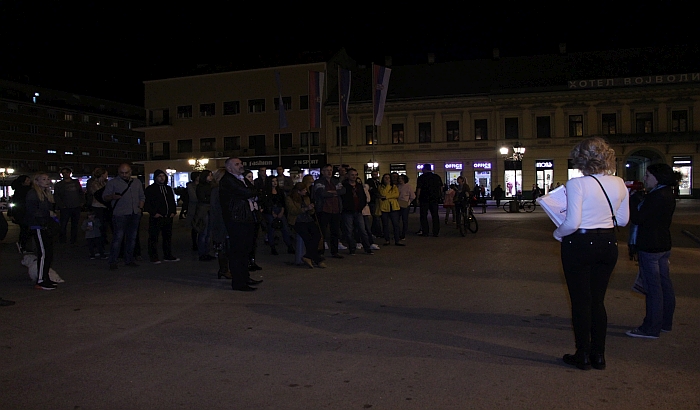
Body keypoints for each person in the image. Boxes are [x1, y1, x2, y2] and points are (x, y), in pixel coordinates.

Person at [553, 137, 629, 371]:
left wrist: (558, 233)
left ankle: (582, 354)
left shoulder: (577, 184)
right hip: (608, 243)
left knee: (580, 302)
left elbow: (572, 222)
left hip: (579, 243)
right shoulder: (619, 183)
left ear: (581, 158)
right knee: (597, 301)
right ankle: (599, 355)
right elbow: (624, 220)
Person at [626, 164, 677, 339]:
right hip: (662, 244)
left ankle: (650, 328)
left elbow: (639, 218)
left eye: (648, 175)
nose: (645, 178)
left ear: (658, 177)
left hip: (650, 245)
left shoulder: (657, 196)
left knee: (653, 288)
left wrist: (632, 200)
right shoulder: (666, 193)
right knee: (664, 285)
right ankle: (665, 323)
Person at [219, 157, 263, 291]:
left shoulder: (241, 178)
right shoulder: (228, 181)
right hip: (236, 219)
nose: (240, 166)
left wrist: (253, 193)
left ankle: (245, 277)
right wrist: (253, 193)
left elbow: (254, 191)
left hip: (247, 217)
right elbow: (247, 192)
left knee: (246, 249)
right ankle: (239, 282)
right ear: (229, 168)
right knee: (238, 251)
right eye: (237, 164)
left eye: (241, 163)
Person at [103, 163, 145, 270]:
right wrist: (113, 196)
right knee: (118, 238)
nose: (124, 175)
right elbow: (105, 197)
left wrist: (139, 208)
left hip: (134, 213)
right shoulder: (113, 183)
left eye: (126, 173)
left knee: (132, 238)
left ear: (130, 172)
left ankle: (129, 259)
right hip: (120, 214)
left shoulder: (136, 182)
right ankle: (113, 260)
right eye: (122, 173)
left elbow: (142, 196)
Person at [25, 173, 58, 290]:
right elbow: (32, 211)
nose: (47, 181)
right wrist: (47, 214)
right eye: (43, 179)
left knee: (48, 253)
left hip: (45, 225)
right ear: (37, 181)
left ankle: (45, 277)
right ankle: (41, 280)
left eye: (48, 179)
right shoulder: (33, 194)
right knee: (44, 253)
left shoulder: (45, 194)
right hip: (38, 226)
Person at [286, 182, 326, 268]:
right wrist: (305, 209)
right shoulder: (290, 199)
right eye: (303, 190)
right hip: (297, 220)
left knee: (317, 235)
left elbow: (311, 212)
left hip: (308, 219)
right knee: (307, 237)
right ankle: (316, 259)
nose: (305, 191)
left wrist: (311, 208)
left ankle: (309, 256)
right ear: (298, 191)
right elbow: (293, 211)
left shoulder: (306, 198)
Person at [144, 169, 179, 264]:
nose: (162, 178)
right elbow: (147, 203)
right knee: (153, 237)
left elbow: (172, 201)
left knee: (167, 237)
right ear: (155, 178)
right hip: (157, 217)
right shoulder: (150, 189)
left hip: (168, 217)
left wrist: (173, 211)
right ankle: (153, 256)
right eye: (159, 176)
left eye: (163, 176)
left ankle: (168, 255)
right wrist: (153, 213)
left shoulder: (168, 188)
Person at [340, 168, 374, 255]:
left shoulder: (359, 186)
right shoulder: (344, 186)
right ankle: (352, 248)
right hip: (348, 211)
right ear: (348, 175)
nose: (354, 177)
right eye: (352, 175)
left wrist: (361, 206)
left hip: (358, 211)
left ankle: (367, 248)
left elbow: (363, 197)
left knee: (363, 230)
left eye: (355, 175)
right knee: (349, 231)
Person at [314, 164, 345, 259]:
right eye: (327, 170)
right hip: (324, 209)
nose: (329, 172)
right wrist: (335, 192)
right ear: (322, 172)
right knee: (322, 232)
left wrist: (331, 192)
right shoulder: (319, 182)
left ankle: (334, 251)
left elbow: (343, 190)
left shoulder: (335, 181)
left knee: (335, 232)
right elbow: (321, 193)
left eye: (330, 170)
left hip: (335, 210)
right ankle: (320, 252)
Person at [260, 176, 294, 256]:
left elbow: (283, 202)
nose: (275, 183)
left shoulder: (280, 191)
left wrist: (282, 211)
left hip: (279, 209)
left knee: (285, 228)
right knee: (271, 228)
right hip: (270, 211)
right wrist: (272, 212)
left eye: (276, 181)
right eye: (273, 181)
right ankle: (272, 247)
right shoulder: (266, 192)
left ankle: (289, 245)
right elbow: (265, 204)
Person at [209, 168, 231, 279]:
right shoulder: (216, 190)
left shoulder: (222, 189)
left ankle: (225, 269)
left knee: (226, 246)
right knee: (223, 246)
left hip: (224, 221)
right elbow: (215, 209)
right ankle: (224, 269)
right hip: (220, 222)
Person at [53, 167, 84, 244]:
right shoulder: (59, 184)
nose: (65, 174)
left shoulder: (76, 182)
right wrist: (61, 205)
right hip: (65, 207)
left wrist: (81, 202)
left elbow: (80, 192)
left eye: (67, 172)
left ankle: (73, 239)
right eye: (63, 173)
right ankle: (63, 239)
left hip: (76, 206)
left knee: (75, 224)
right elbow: (56, 196)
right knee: (63, 224)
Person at [416, 164, 443, 237]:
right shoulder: (436, 177)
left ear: (424, 169)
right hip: (434, 198)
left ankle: (425, 231)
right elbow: (441, 188)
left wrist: (417, 198)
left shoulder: (421, 177)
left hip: (424, 198)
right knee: (435, 216)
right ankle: (436, 232)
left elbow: (419, 189)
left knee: (423, 216)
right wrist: (440, 196)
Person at [195, 170, 215, 261]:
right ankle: (202, 253)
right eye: (209, 175)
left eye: (211, 175)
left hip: (210, 209)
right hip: (204, 210)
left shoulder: (212, 186)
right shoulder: (201, 187)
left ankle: (206, 252)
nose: (210, 177)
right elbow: (202, 198)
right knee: (204, 232)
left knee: (208, 233)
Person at [87, 168, 110, 247]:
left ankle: (103, 238)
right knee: (99, 224)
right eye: (106, 174)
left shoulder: (105, 183)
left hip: (104, 206)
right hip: (97, 206)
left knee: (104, 224)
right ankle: (98, 240)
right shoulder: (94, 184)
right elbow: (98, 194)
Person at [379, 173, 404, 246]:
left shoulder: (394, 186)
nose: (387, 179)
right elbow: (382, 193)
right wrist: (387, 186)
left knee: (396, 224)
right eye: (385, 178)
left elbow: (396, 195)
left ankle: (397, 240)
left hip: (394, 207)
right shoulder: (381, 187)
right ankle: (387, 240)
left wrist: (386, 197)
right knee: (385, 224)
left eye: (388, 178)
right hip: (384, 208)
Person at [10, 175, 32, 253]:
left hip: (22, 212)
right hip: (22, 213)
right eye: (27, 180)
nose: (29, 182)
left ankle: (22, 245)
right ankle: (22, 246)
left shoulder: (21, 190)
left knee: (25, 230)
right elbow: (15, 202)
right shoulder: (23, 191)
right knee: (25, 230)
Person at [397, 174, 416, 240]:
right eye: (399, 179)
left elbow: (413, 196)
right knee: (397, 220)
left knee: (404, 219)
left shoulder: (408, 186)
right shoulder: (397, 186)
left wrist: (408, 202)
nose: (400, 180)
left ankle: (403, 234)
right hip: (397, 203)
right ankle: (398, 233)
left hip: (405, 203)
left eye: (401, 179)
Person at [185, 171, 200, 251]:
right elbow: (193, 198)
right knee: (194, 227)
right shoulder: (191, 186)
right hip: (194, 208)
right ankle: (195, 243)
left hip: (201, 208)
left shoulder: (201, 185)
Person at [366, 170, 383, 237]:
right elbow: (373, 190)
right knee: (376, 217)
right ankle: (378, 232)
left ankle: (374, 231)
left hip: (377, 201)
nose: (375, 176)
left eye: (376, 174)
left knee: (376, 217)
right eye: (374, 174)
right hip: (373, 201)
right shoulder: (369, 182)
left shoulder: (378, 182)